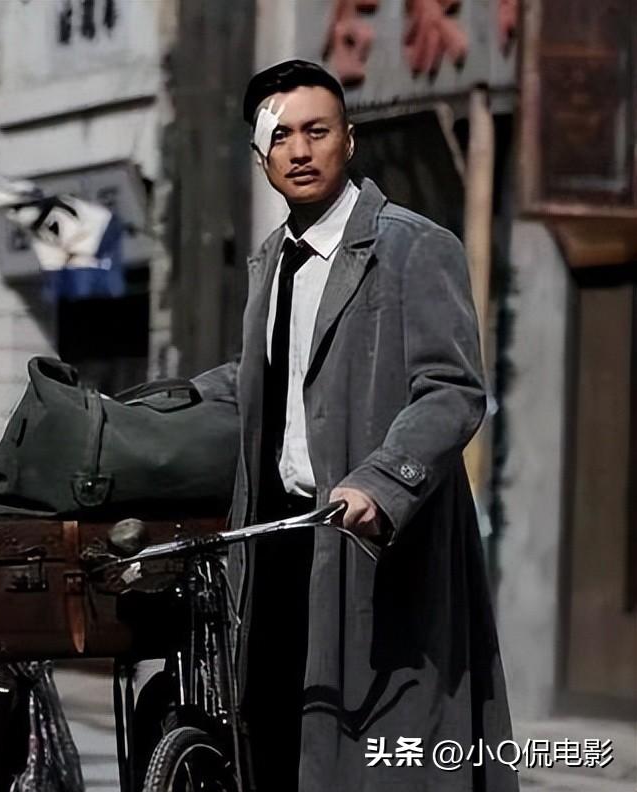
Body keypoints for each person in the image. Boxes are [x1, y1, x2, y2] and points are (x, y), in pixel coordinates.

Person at [194, 60, 516, 792]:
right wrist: (162, 406)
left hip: (377, 543)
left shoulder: (411, 245)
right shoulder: (271, 261)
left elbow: (452, 389)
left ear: (349, 139)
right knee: (278, 740)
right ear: (260, 154)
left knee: (379, 753)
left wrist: (383, 480)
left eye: (317, 131)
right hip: (281, 543)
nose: (300, 151)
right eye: (281, 137)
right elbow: (269, 381)